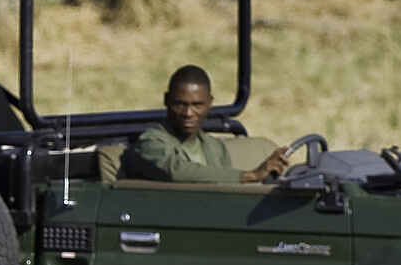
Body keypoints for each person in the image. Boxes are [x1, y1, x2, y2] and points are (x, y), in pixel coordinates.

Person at [122, 64, 289, 184]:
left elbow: (224, 190)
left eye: (197, 105)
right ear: (166, 101)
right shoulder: (151, 143)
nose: (188, 113)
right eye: (180, 104)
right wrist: (250, 176)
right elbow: (176, 171)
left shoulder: (214, 147)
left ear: (209, 104)